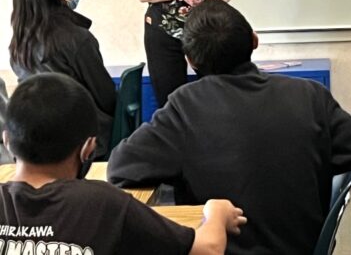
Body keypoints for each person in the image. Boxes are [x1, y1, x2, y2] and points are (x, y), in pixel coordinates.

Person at [108, 0, 351, 255]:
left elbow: (120, 168)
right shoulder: (309, 94)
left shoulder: (185, 106)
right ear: (254, 40)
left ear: (190, 61)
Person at [0, 72, 247, 255]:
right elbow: (207, 249)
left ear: (7, 140)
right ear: (88, 148)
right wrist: (216, 213)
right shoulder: (102, 203)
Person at [10, 0, 115, 158]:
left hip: (35, 146)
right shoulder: (78, 39)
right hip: (83, 146)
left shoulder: (18, 44)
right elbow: (107, 98)